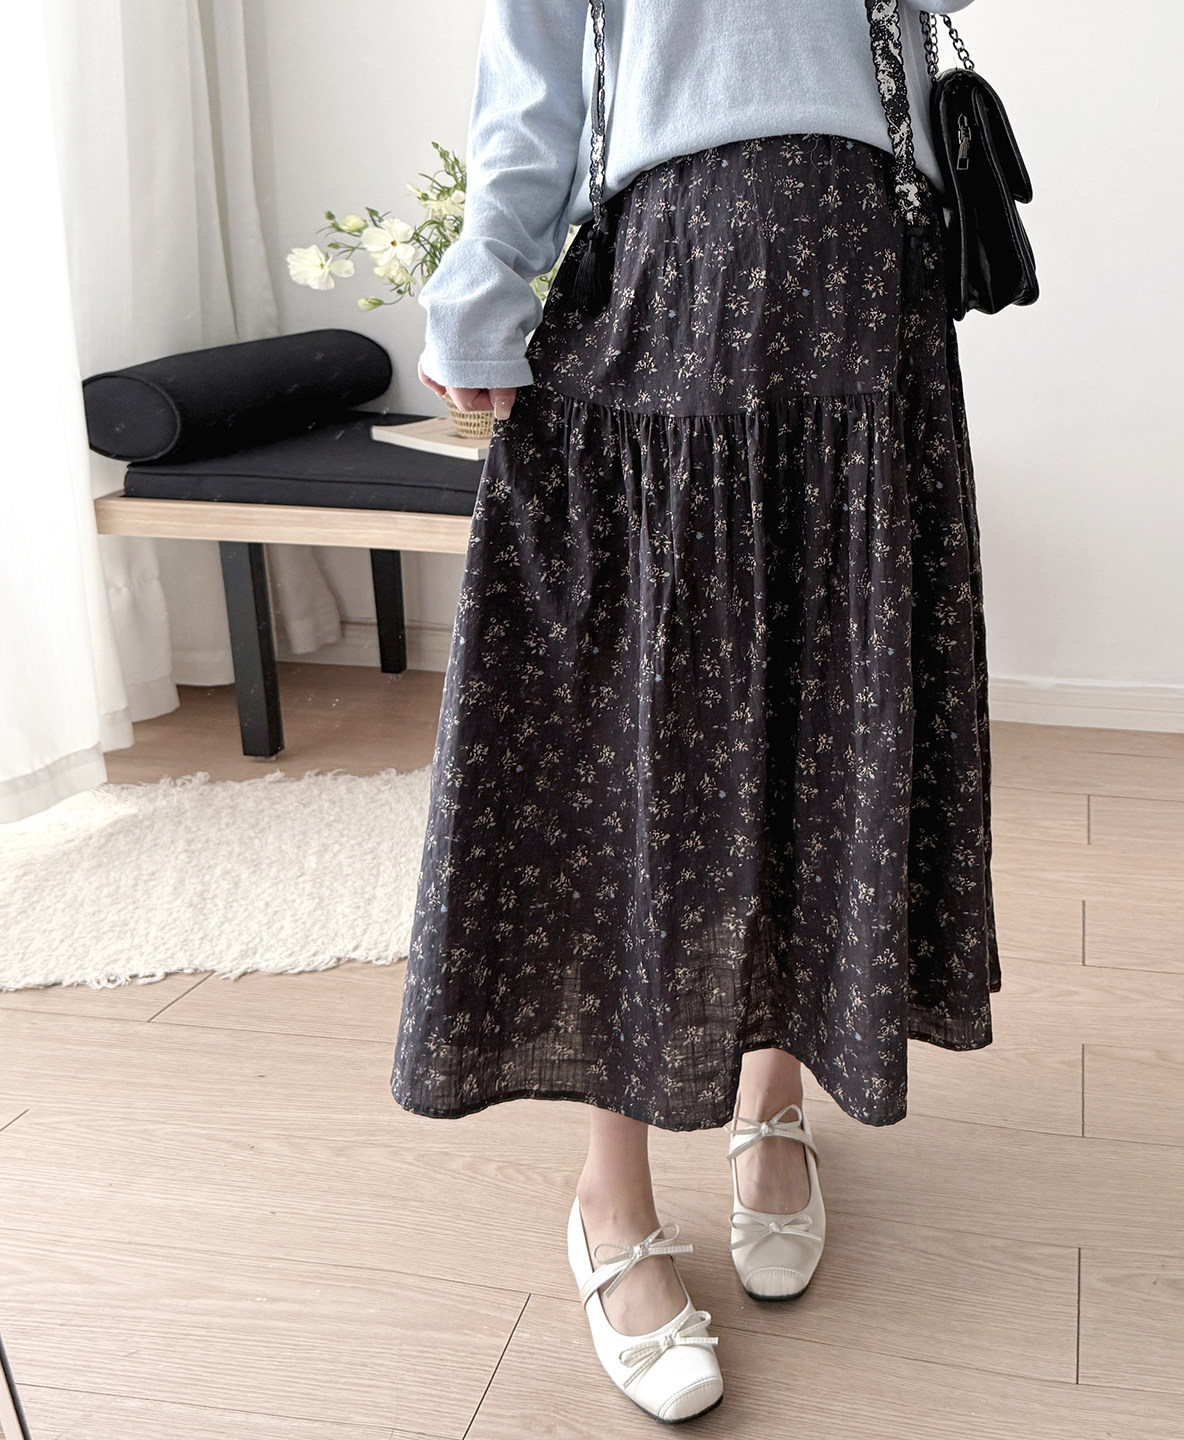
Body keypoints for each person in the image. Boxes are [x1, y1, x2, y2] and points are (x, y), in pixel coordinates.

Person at [392, 0, 999, 1422]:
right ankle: (610, 1197)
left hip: (868, 298)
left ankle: (771, 1101)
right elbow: (537, 61)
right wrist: (486, 275)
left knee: (829, 725)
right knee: (650, 753)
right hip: (667, 287)